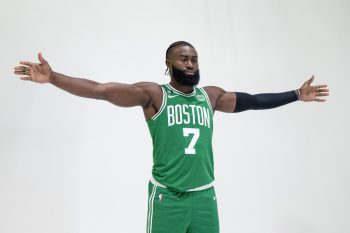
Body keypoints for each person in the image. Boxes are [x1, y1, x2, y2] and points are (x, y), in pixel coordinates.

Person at [14, 41, 329, 233]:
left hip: (205, 197)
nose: (191, 64)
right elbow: (101, 91)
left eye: (194, 59)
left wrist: (295, 95)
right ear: (169, 65)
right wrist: (53, 77)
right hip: (168, 198)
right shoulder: (154, 95)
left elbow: (253, 101)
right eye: (183, 59)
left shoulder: (211, 96)